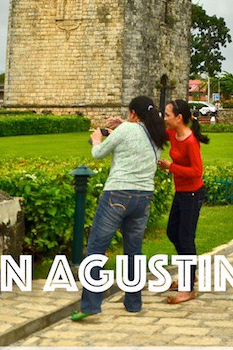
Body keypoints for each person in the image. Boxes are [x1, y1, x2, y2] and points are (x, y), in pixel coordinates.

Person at [71, 96, 168, 321]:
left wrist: (96, 139)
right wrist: (123, 124)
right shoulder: (156, 135)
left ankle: (90, 304)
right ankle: (133, 302)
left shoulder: (128, 130)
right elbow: (134, 139)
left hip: (118, 194)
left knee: (96, 247)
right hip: (143, 197)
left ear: (133, 113)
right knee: (133, 251)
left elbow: (99, 153)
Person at [159, 99, 209, 304]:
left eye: (168, 115)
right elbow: (155, 132)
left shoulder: (190, 141)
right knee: (173, 232)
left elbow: (197, 171)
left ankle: (187, 288)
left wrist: (171, 166)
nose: (165, 118)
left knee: (186, 238)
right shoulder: (173, 133)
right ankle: (191, 274)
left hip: (192, 193)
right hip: (181, 192)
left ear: (179, 118)